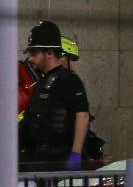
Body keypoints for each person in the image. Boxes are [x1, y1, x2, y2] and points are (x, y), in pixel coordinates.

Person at [20, 21, 90, 171]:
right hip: (38, 159)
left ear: (49, 53)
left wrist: (76, 153)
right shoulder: (42, 83)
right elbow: (29, 120)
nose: (30, 59)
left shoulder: (69, 80)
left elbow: (82, 115)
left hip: (59, 160)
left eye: (34, 53)